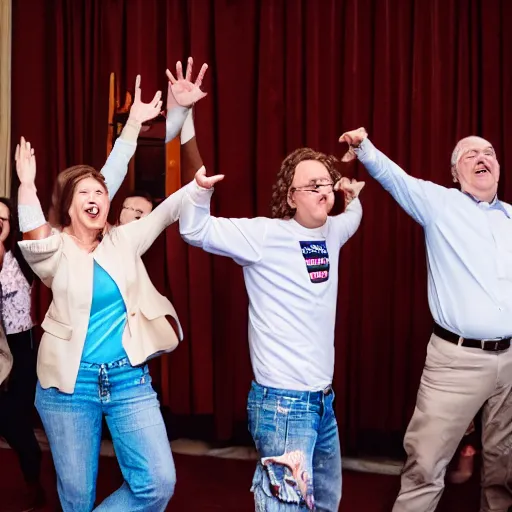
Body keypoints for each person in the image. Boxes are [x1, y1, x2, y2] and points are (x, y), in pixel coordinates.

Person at [14, 60, 208, 512]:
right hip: (68, 385)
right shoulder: (56, 250)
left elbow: (166, 206)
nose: (95, 197)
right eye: (83, 193)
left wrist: (194, 185)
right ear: (66, 206)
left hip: (127, 378)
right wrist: (27, 187)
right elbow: (35, 240)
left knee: (157, 483)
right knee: (76, 498)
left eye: (100, 193)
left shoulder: (123, 240)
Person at [179, 135, 365, 510]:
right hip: (282, 406)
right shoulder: (265, 234)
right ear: (291, 196)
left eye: (326, 182)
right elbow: (195, 231)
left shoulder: (333, 232)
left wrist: (354, 196)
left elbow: (352, 219)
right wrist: (198, 193)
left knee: (327, 503)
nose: (322, 190)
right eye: (311, 185)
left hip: (322, 403)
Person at [340, 127, 512, 511]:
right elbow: (396, 180)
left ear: (498, 167)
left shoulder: (511, 219)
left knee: (504, 471)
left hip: (510, 362)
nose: (482, 157)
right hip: (456, 361)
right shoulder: (441, 204)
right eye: (470, 155)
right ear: (455, 173)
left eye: (489, 153)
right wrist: (364, 148)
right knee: (425, 465)